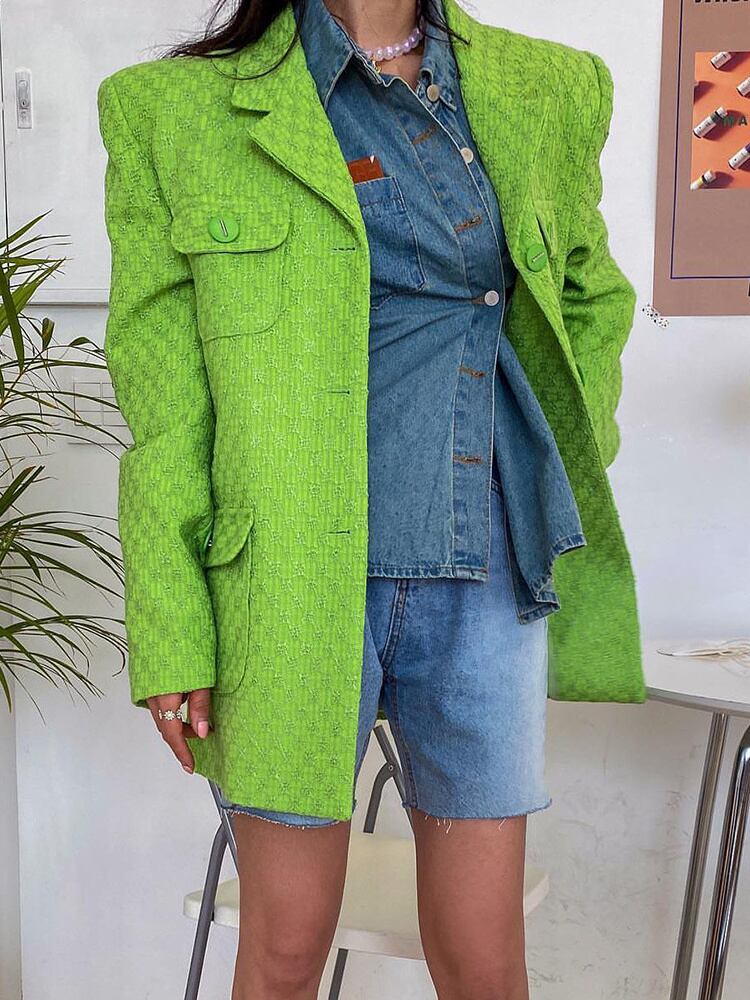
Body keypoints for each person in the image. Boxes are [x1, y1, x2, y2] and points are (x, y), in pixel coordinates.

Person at [97, 0, 645, 996]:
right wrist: (171, 626)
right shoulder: (171, 110)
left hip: (485, 569)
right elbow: (166, 403)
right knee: (284, 952)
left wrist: (568, 449)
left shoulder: (550, 88)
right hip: (286, 583)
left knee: (486, 963)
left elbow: (590, 294)